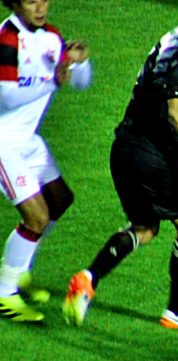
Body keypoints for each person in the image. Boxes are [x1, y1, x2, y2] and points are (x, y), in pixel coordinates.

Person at [63, 0, 178, 329]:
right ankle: (177, 312)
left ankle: (88, 278)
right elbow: (176, 110)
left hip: (125, 148)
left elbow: (165, 99)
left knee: (145, 228)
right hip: (156, 155)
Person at [0, 0, 90, 322]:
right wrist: (53, 80)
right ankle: (4, 293)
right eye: (31, 1)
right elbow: (6, 95)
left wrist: (79, 64)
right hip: (3, 142)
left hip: (27, 140)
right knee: (37, 217)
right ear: (14, 3)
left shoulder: (52, 37)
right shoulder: (7, 39)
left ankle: (17, 268)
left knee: (60, 199)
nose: (40, 7)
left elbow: (80, 83)